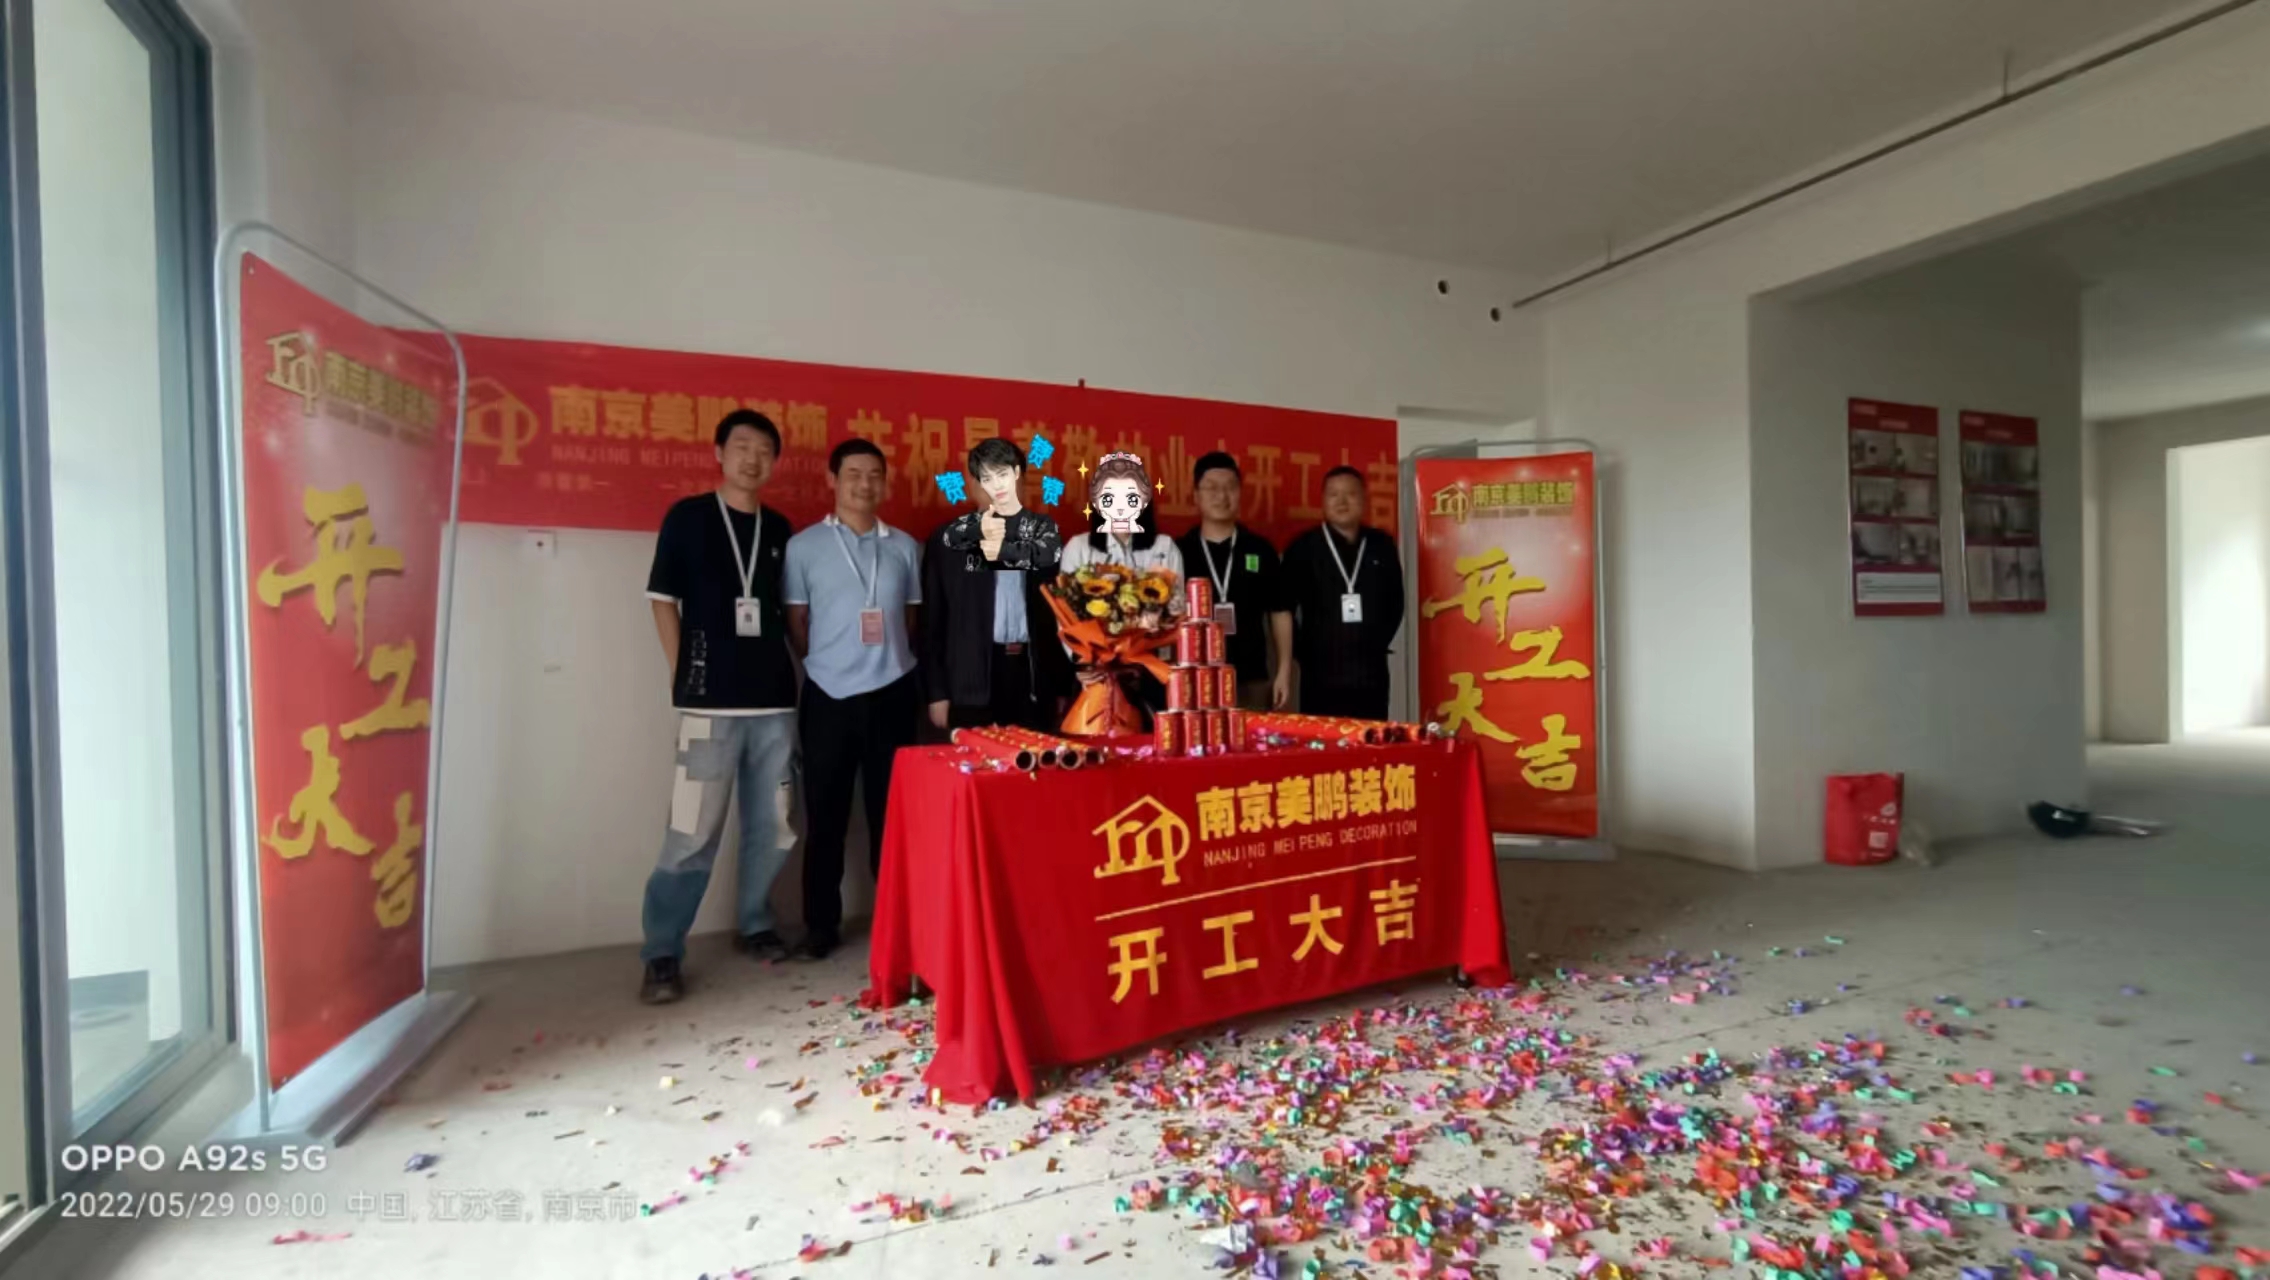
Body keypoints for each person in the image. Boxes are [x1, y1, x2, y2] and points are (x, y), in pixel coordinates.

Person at [637, 409, 800, 1005]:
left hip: (774, 704)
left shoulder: (780, 529)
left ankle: (755, 922)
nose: (752, 459)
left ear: (774, 461)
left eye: (764, 450)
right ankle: (662, 950)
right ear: (720, 453)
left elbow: (791, 614)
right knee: (690, 830)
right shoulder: (687, 518)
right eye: (742, 446)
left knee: (775, 825)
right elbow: (662, 600)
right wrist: (681, 674)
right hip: (707, 706)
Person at [783, 439, 923, 962]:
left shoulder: (904, 546)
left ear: (885, 482)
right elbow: (798, 624)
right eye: (854, 474)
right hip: (828, 696)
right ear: (832, 479)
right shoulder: (804, 547)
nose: (865, 484)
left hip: (893, 693)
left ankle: (898, 924)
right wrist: (829, 662)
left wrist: (885, 661)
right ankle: (821, 925)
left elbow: (910, 621)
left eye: (874, 475)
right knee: (825, 818)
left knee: (893, 819)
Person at [922, 438, 1072, 731]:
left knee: (1033, 757)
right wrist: (936, 692)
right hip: (971, 683)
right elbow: (932, 624)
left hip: (1031, 679)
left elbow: (1056, 619)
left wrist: (1059, 685)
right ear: (972, 483)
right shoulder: (947, 542)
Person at [1059, 452, 1184, 719]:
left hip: (1151, 672)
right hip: (1094, 674)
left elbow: (1177, 611)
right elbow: (1066, 617)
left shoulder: (1164, 547)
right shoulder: (1079, 548)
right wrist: (1083, 663)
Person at [1282, 466, 1404, 720]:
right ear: (1323, 501)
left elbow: (1395, 602)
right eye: (1334, 494)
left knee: (1370, 737)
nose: (1342, 501)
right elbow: (1285, 609)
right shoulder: (1303, 548)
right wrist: (1304, 652)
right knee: (1323, 739)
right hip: (1320, 673)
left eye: (1350, 493)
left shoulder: (1381, 544)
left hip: (1370, 671)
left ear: (1364, 499)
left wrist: (1375, 642)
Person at [1174, 452, 1291, 711]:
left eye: (1229, 487)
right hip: (1194, 678)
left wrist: (1284, 671)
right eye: (1212, 488)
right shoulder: (1178, 551)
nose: (1221, 496)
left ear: (1240, 493)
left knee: (1250, 736)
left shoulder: (1260, 549)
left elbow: (1280, 612)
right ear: (1196, 496)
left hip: (1251, 677)